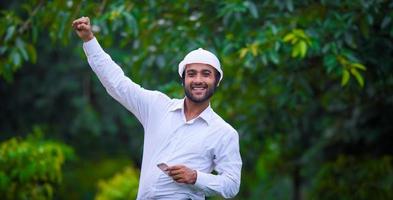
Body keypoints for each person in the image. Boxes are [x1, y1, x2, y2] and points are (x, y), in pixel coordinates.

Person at [72, 16, 242, 199]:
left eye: (206, 74)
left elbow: (232, 185)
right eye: (191, 74)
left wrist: (196, 177)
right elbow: (117, 83)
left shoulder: (224, 132)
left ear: (216, 81)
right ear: (183, 79)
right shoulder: (157, 107)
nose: (198, 80)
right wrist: (90, 40)